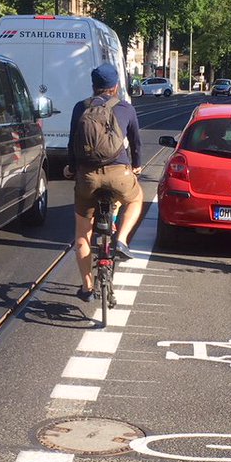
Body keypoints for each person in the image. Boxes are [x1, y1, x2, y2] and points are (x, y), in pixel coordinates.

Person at [64, 62, 143, 301]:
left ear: (94, 86)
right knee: (137, 198)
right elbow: (136, 143)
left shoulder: (81, 108)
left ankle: (87, 287)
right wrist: (136, 165)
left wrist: (71, 167)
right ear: (116, 86)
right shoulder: (126, 108)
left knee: (82, 235)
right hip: (119, 174)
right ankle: (121, 241)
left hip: (88, 177)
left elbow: (72, 143)